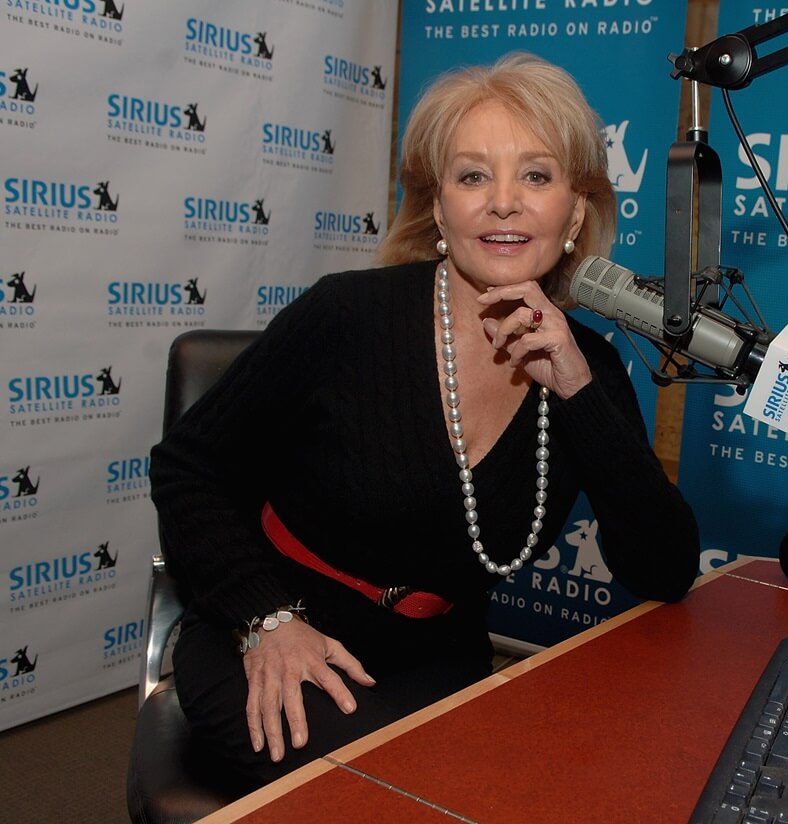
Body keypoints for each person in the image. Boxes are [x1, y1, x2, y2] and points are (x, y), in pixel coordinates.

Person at [149, 51, 701, 792]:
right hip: (272, 633)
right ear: (439, 207)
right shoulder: (345, 315)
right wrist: (267, 620)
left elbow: (664, 573)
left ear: (575, 211)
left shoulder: (589, 369)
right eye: (473, 176)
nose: (503, 203)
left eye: (535, 176)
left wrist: (575, 388)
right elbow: (189, 468)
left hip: (439, 661)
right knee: (383, 796)